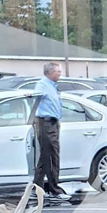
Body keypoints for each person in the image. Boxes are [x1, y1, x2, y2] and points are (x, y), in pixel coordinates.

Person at [33, 62, 65, 197]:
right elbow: (36, 95)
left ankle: (37, 187)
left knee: (45, 157)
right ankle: (54, 190)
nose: (60, 74)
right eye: (58, 71)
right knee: (52, 156)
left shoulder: (53, 86)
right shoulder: (42, 85)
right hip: (46, 123)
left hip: (53, 123)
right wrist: (32, 95)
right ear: (50, 72)